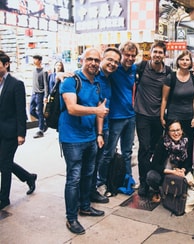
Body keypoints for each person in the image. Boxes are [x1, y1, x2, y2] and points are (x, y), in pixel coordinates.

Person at [59, 48, 109, 235]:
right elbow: (72, 108)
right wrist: (96, 112)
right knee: (74, 178)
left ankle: (85, 206)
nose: (94, 63)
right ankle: (71, 218)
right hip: (72, 139)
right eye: (90, 59)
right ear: (82, 60)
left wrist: (99, 134)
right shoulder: (71, 80)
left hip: (90, 137)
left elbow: (100, 108)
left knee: (89, 174)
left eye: (97, 60)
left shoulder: (96, 84)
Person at [99, 42, 139, 196]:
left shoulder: (134, 69)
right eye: (127, 55)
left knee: (128, 152)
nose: (129, 58)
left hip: (130, 116)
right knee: (108, 153)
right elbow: (97, 70)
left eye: (132, 55)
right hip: (115, 117)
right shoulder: (114, 69)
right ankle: (102, 183)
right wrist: (61, 74)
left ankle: (127, 179)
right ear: (121, 54)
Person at [0, 50, 38, 210]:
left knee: (4, 165)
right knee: (4, 163)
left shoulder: (16, 84)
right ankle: (29, 177)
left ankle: (4, 199)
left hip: (10, 132)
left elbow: (20, 111)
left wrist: (21, 133)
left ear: (6, 65)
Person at [134, 41, 172, 197]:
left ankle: (153, 180)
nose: (157, 55)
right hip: (142, 115)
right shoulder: (141, 67)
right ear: (150, 53)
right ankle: (143, 182)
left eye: (160, 52)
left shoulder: (168, 72)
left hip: (158, 117)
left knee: (155, 150)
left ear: (164, 55)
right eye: (155, 52)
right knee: (144, 148)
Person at [89, 47, 121, 203]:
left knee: (98, 160)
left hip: (105, 126)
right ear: (102, 59)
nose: (112, 63)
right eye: (109, 59)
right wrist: (60, 74)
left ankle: (93, 189)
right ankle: (88, 193)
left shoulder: (110, 78)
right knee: (89, 163)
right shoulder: (93, 74)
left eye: (116, 62)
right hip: (91, 128)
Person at [160, 50, 194, 164]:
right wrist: (162, 116)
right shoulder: (170, 77)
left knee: (188, 145)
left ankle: (186, 171)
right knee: (172, 145)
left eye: (187, 59)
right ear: (177, 61)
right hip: (173, 117)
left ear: (191, 62)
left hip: (189, 117)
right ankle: (171, 171)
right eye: (182, 59)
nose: (185, 62)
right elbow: (164, 99)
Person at [146, 120, 192, 203]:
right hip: (165, 172)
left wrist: (183, 170)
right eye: (173, 131)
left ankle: (176, 193)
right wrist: (172, 172)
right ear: (168, 132)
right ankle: (157, 191)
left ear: (182, 130)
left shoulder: (186, 142)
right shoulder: (163, 142)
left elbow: (188, 162)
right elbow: (154, 165)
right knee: (151, 176)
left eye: (178, 130)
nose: (176, 133)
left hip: (179, 173)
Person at [30, 55, 49, 138]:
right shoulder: (33, 70)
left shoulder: (44, 71)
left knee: (40, 112)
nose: (34, 61)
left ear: (40, 61)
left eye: (35, 59)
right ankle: (43, 122)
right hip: (33, 93)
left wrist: (46, 96)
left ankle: (41, 130)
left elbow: (46, 85)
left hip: (40, 94)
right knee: (31, 111)